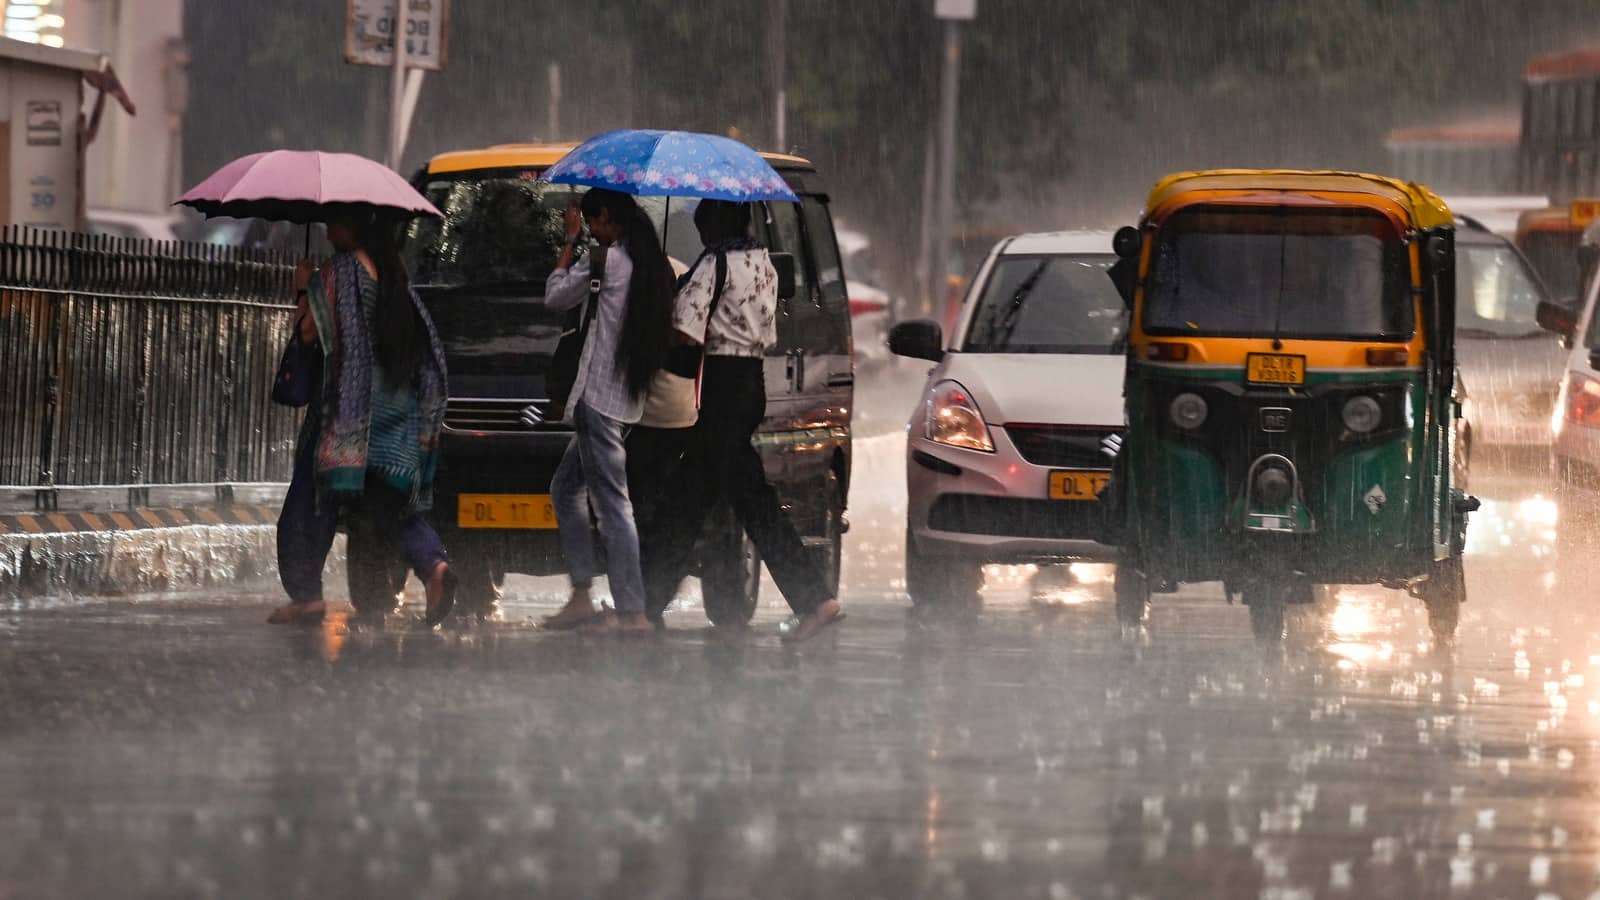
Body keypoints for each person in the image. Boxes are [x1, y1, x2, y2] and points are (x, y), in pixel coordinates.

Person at [640, 199, 843, 642]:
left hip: (722, 387)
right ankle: (644, 605)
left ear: (713, 227)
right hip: (751, 383)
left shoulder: (714, 264)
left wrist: (661, 311)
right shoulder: (762, 262)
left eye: (703, 228)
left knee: (744, 502)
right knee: (690, 499)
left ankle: (814, 599)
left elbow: (685, 329)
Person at [266, 211, 456, 627]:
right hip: (397, 421)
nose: (325, 227)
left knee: (308, 504)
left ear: (353, 225)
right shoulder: (393, 275)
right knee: (387, 510)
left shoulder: (341, 271)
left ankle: (307, 596)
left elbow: (310, 332)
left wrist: (303, 291)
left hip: (348, 419)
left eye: (333, 218)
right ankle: (434, 567)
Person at [540, 189, 675, 633]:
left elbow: (555, 296)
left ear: (606, 219)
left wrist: (569, 241)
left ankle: (632, 610)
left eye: (592, 222)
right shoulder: (653, 265)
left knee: (613, 505)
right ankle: (582, 594)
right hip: (625, 398)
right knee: (566, 489)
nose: (591, 230)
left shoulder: (607, 260)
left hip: (597, 397)